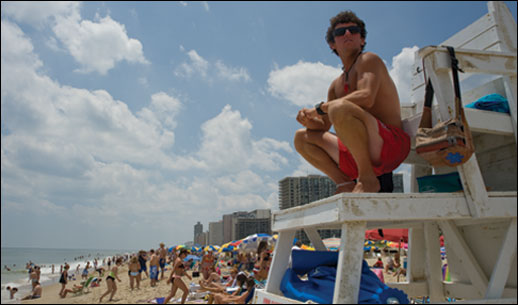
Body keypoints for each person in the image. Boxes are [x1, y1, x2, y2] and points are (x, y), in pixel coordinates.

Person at [294, 10, 410, 194]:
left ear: (362, 40)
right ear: (333, 44)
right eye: (340, 32)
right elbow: (323, 127)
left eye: (353, 30)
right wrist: (309, 121)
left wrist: (320, 108)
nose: (347, 34)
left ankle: (367, 179)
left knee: (340, 107)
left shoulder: (369, 59)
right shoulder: (335, 85)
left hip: (389, 146)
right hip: (357, 151)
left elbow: (366, 97)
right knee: (301, 137)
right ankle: (344, 183)